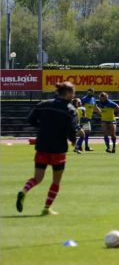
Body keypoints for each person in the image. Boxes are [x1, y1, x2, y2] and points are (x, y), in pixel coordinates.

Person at [17, 81, 79, 215]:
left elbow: (31, 120)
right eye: (73, 92)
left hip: (42, 145)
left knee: (37, 178)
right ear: (67, 93)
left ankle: (24, 191)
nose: (74, 95)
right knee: (56, 180)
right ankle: (46, 208)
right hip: (58, 148)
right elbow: (71, 129)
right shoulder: (70, 109)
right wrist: (73, 141)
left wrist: (44, 127)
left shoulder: (43, 104)